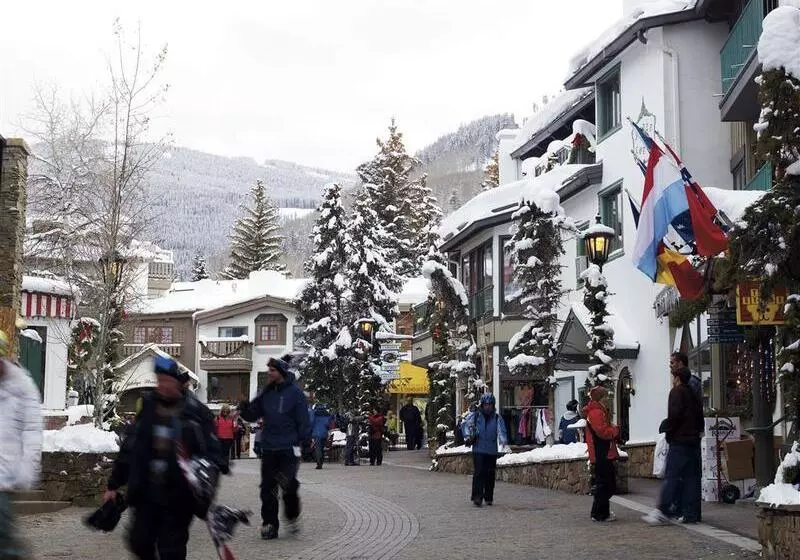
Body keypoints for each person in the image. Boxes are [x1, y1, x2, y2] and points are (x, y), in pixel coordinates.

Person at [105, 355, 227, 560]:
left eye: (167, 381)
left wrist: (207, 487)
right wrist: (113, 484)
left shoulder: (197, 413)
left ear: (178, 383)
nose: (161, 385)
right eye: (159, 380)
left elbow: (213, 455)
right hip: (146, 493)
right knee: (139, 542)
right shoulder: (149, 407)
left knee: (172, 549)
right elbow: (130, 447)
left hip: (179, 495)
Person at [238, 356, 310, 540]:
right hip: (270, 447)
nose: (269, 373)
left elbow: (303, 420)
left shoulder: (296, 394)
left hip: (289, 447)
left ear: (282, 373)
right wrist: (245, 408)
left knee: (288, 484)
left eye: (273, 370)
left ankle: (292, 517)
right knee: (267, 488)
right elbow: (253, 414)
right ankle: (269, 523)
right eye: (268, 370)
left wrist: (304, 442)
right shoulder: (266, 393)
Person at [642, 366, 704, 525]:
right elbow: (699, 417)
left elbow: (675, 415)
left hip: (680, 441)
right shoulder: (693, 394)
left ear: (676, 378)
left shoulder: (676, 392)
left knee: (672, 475)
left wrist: (669, 432)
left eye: (673, 376)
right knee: (691, 478)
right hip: (693, 442)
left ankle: (663, 510)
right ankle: (690, 514)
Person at [0, 330, 42, 560]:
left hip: (4, 478)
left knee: (3, 536)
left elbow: (32, 431)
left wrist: (27, 468)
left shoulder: (22, 387)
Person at [462, 394, 508, 507]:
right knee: (479, 473)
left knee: (490, 474)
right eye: (486, 405)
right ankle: (477, 497)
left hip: (492, 450)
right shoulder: (476, 416)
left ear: (493, 405)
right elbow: (465, 424)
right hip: (478, 449)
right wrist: (468, 437)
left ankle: (488, 497)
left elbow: (502, 431)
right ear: (482, 405)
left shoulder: (497, 418)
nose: (488, 407)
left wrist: (503, 443)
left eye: (490, 405)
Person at [584, 386, 621, 522]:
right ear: (600, 398)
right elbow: (602, 432)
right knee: (606, 484)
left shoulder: (598, 411)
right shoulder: (596, 412)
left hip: (602, 451)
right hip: (602, 452)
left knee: (605, 483)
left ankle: (600, 512)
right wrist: (615, 430)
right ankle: (600, 513)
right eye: (605, 396)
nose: (607, 398)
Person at [310, 402, 334, 469]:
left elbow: (311, 422)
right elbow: (330, 424)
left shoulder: (314, 413)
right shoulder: (327, 414)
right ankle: (321, 462)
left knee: (318, 448)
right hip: (324, 433)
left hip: (317, 433)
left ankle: (319, 464)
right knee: (322, 448)